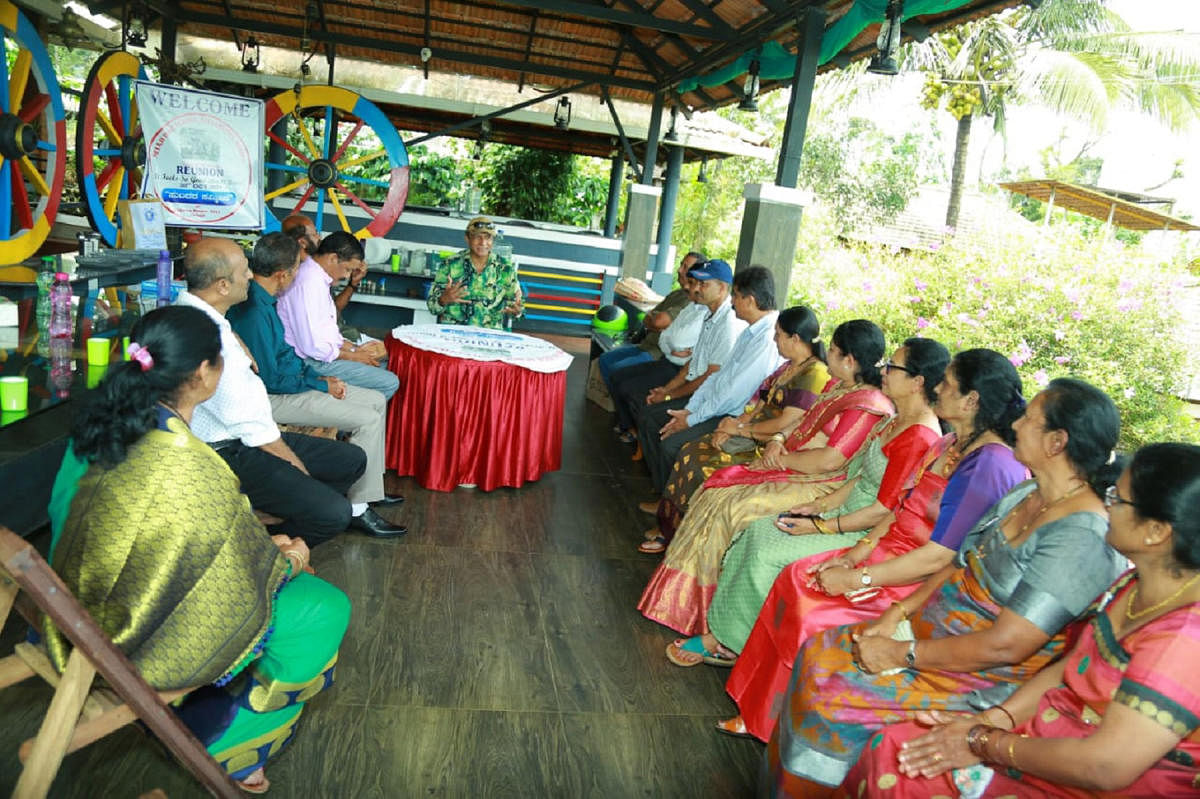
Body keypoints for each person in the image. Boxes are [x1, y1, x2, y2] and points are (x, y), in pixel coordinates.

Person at [763, 378, 1129, 796]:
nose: (1017, 424)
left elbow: (1007, 646)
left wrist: (901, 652)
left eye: (1029, 419)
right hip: (932, 633)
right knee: (819, 652)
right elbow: (961, 561)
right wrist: (897, 614)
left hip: (981, 674)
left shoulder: (1080, 535)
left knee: (833, 691)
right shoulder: (1028, 491)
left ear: (1056, 442)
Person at [43, 306, 350, 794]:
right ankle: (228, 741)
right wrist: (286, 559)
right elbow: (233, 568)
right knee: (322, 607)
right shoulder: (185, 461)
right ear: (205, 373)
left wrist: (261, 545)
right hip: (129, 634)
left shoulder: (105, 422)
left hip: (77, 597)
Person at [839, 441, 1200, 798]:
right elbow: (1068, 670)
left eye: (1117, 500)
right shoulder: (1134, 584)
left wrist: (983, 741)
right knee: (892, 747)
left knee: (898, 770)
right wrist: (993, 720)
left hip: (1095, 778)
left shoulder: (1184, 638)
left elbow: (1106, 767)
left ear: (1156, 531)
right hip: (1045, 730)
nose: (1106, 506)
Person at [723, 348, 1029, 740]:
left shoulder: (989, 465)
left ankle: (781, 726)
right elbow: (900, 508)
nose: (937, 388)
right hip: (891, 553)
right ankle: (759, 707)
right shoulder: (951, 443)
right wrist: (855, 553)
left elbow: (941, 555)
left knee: (815, 610)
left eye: (947, 384)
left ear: (972, 400)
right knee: (798, 575)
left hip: (923, 580)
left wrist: (859, 578)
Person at [664, 338, 948, 665]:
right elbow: (858, 480)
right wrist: (818, 506)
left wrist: (822, 525)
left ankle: (732, 643)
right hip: (845, 512)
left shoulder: (920, 436)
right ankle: (725, 633)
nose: (883, 370)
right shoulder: (896, 418)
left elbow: (882, 510)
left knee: (767, 553)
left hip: (862, 532)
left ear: (918, 382)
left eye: (893, 366)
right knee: (757, 531)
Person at [636, 320, 892, 636]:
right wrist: (779, 440)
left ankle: (708, 613)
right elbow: (800, 424)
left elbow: (830, 460)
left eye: (835, 351)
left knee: (732, 505)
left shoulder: (866, 405)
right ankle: (683, 602)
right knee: (715, 490)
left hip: (821, 481)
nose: (829, 356)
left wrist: (782, 458)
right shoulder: (838, 386)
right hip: (792, 460)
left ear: (850, 360)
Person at [178, 237, 401, 542]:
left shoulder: (228, 316)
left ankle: (357, 497)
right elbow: (258, 414)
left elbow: (283, 356)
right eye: (245, 270)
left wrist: (316, 379)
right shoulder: (245, 316)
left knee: (360, 439)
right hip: (245, 432)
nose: (250, 276)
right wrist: (300, 474)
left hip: (273, 401)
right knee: (334, 504)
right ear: (222, 285)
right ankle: (331, 517)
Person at [643, 305, 833, 553]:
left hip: (769, 445)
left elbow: (786, 422)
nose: (775, 340)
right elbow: (758, 404)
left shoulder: (814, 373)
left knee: (705, 468)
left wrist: (739, 430)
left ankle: (689, 541)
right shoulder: (788, 367)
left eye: (778, 335)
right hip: (751, 432)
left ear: (795, 338)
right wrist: (733, 425)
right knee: (690, 451)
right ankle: (671, 528)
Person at [636, 265, 784, 497]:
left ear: (751, 300)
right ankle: (662, 494)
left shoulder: (766, 339)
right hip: (716, 405)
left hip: (736, 416)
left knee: (670, 444)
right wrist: (690, 411)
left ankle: (669, 507)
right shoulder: (750, 331)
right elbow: (719, 377)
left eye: (735, 295)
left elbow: (733, 393)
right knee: (652, 419)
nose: (732, 301)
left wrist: (692, 418)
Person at [275, 231, 400, 399]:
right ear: (333, 258)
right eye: (347, 269)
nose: (347, 276)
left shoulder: (318, 278)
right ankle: (348, 418)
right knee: (389, 381)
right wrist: (354, 357)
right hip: (309, 362)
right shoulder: (308, 283)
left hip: (322, 355)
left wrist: (352, 347)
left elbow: (325, 331)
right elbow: (313, 347)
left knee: (388, 363)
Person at [610, 274, 709, 437]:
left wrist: (670, 341)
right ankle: (630, 427)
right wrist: (671, 346)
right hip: (667, 359)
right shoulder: (690, 307)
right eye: (691, 283)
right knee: (616, 376)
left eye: (694, 284)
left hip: (678, 369)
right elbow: (665, 337)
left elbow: (672, 336)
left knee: (629, 389)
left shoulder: (705, 313)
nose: (689, 287)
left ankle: (640, 434)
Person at [596, 251, 704, 391]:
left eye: (685, 267)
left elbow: (657, 322)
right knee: (605, 360)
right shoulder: (676, 294)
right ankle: (620, 400)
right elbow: (649, 318)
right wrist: (655, 320)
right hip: (645, 346)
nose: (679, 269)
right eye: (681, 265)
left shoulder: (691, 301)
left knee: (617, 370)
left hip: (658, 354)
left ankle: (625, 403)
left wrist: (655, 320)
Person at [426, 216, 523, 328]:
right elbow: (432, 307)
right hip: (453, 335)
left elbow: (518, 308)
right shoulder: (450, 264)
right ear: (467, 238)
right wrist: (443, 299)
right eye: (477, 237)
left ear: (493, 240)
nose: (483, 242)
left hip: (489, 338)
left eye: (488, 237)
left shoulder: (505, 268)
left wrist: (517, 311)